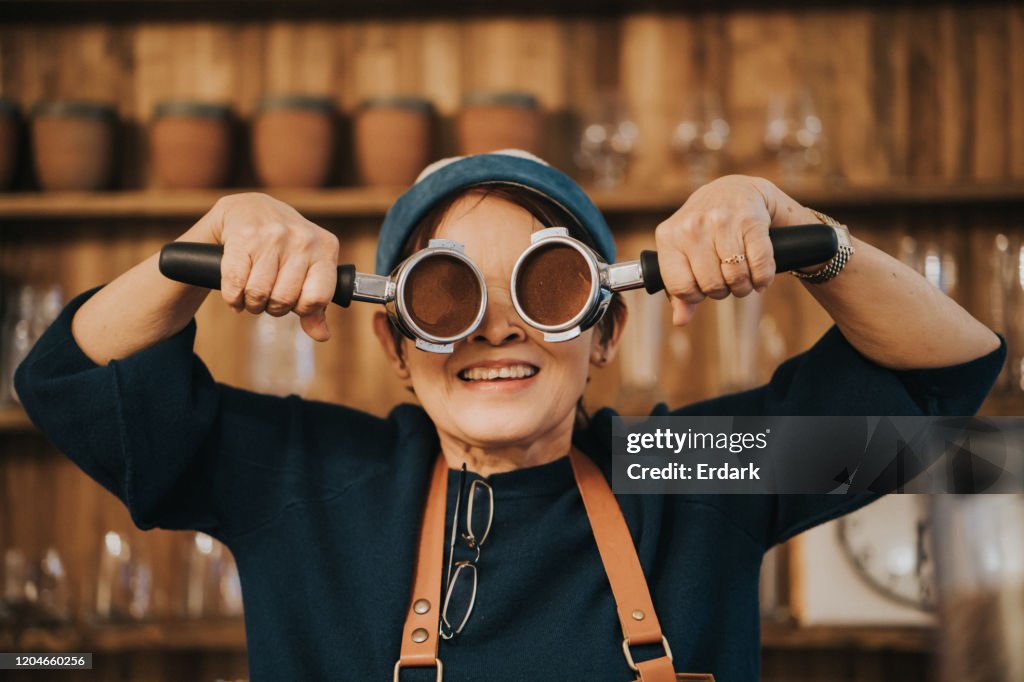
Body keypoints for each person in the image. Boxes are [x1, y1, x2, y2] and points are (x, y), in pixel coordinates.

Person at [16, 150, 1004, 681]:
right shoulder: (307, 479)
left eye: (546, 288)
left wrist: (801, 230)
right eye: (446, 299)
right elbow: (69, 381)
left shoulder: (681, 468)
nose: (496, 331)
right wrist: (217, 226)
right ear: (396, 344)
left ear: (603, 331)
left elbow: (939, 382)